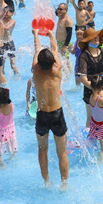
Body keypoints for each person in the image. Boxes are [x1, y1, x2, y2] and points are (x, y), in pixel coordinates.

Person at [31, 28, 69, 187]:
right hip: (57, 114)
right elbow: (55, 49)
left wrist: (36, 34)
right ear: (53, 61)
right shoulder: (58, 68)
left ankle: (46, 182)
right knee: (61, 152)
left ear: (39, 63)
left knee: (42, 150)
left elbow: (37, 49)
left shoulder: (35, 70)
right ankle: (64, 183)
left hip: (41, 115)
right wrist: (52, 35)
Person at [78, 28, 103, 128]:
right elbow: (83, 80)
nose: (96, 38)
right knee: (90, 117)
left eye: (97, 36)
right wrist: (97, 91)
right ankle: (89, 141)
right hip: (90, 90)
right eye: (93, 37)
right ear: (87, 41)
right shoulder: (83, 57)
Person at [0, 87, 18, 166]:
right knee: (11, 144)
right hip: (11, 130)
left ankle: (1, 164)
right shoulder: (11, 106)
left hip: (1, 133)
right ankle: (12, 158)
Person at [86, 75, 103, 156]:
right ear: (102, 86)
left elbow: (99, 95)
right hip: (101, 126)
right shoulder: (101, 100)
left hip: (94, 124)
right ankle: (101, 161)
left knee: (97, 141)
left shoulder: (91, 97)